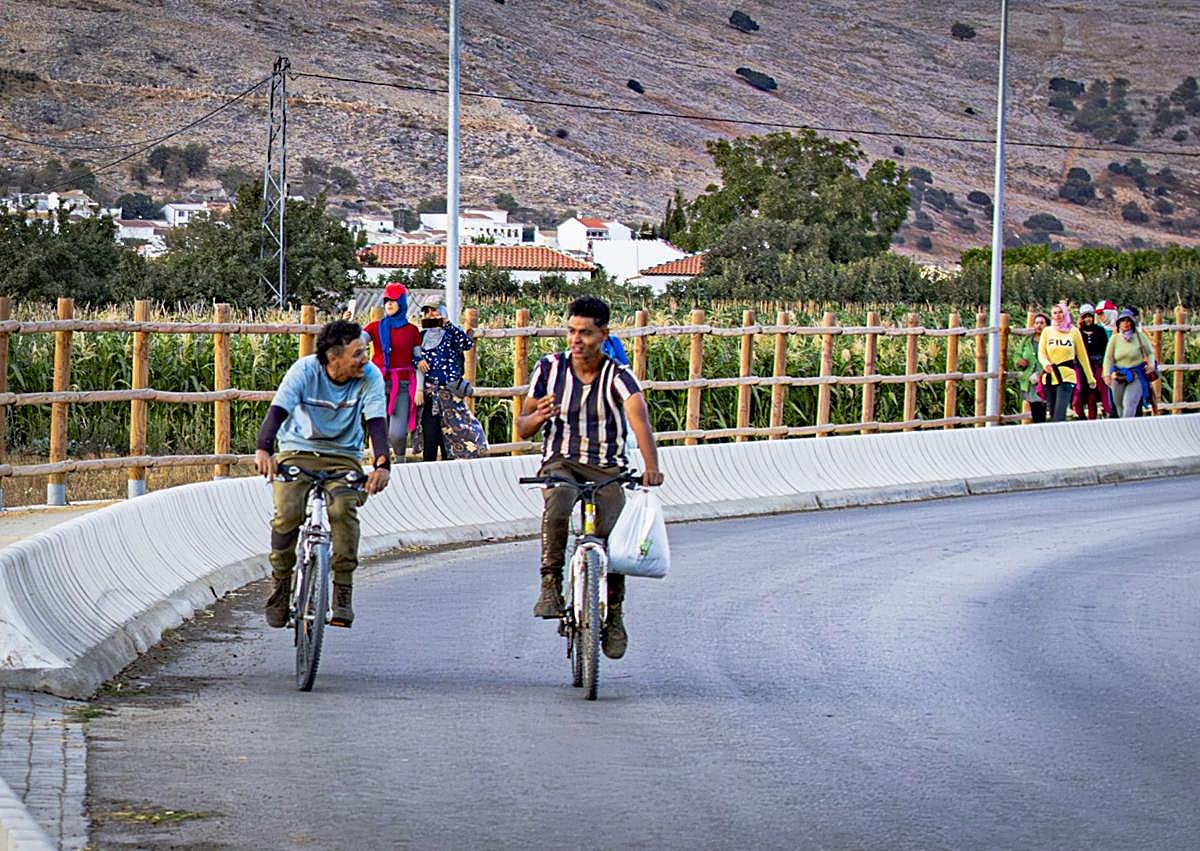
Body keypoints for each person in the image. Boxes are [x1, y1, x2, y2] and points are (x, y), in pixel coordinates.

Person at [516, 295, 664, 660]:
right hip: (561, 461)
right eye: (571, 331)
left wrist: (651, 466)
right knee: (560, 502)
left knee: (615, 540)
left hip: (606, 467)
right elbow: (522, 426)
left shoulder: (618, 376)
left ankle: (613, 614)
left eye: (585, 333)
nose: (576, 340)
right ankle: (550, 583)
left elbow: (639, 421)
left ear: (603, 335)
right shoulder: (549, 369)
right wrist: (538, 417)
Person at [255, 320, 391, 629]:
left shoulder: (369, 377)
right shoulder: (304, 371)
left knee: (343, 509)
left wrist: (382, 465)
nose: (365, 359)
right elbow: (277, 412)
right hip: (298, 451)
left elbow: (376, 424)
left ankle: (342, 588)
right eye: (357, 354)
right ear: (333, 358)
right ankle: (281, 582)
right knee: (287, 512)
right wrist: (264, 449)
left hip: (344, 457)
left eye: (365, 351)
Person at [414, 303, 488, 460]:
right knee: (430, 438)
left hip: (450, 394)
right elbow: (412, 357)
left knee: (454, 437)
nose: (432, 315)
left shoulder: (450, 334)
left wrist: (447, 324)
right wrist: (418, 363)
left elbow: (467, 344)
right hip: (429, 394)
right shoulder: (421, 337)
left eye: (435, 311)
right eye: (428, 312)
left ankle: (451, 478)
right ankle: (428, 478)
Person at [362, 282, 424, 460]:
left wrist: (419, 388)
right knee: (379, 429)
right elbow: (357, 342)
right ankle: (381, 466)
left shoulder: (412, 331)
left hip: (403, 385)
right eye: (387, 300)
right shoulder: (375, 327)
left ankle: (400, 462)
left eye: (394, 300)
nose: (389, 303)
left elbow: (419, 361)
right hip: (378, 384)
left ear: (402, 303)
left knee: (397, 434)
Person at [1038, 302, 1095, 423]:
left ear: (1065, 314)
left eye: (1060, 313)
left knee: (1059, 414)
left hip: (1067, 376)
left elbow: (1082, 356)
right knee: (1052, 412)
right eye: (1055, 313)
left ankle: (1060, 438)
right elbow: (1041, 352)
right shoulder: (1047, 331)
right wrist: (1045, 364)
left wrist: (1091, 378)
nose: (1058, 316)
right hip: (1050, 375)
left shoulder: (1073, 332)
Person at [1103, 308, 1157, 419]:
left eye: (1128, 321)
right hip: (1118, 375)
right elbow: (1108, 358)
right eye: (1123, 321)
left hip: (1136, 375)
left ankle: (1126, 430)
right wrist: (1106, 374)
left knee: (1129, 404)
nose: (1126, 324)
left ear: (1132, 323)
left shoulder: (1140, 337)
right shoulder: (1114, 339)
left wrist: (1151, 365)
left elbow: (1150, 353)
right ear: (1119, 323)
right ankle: (1123, 430)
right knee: (1118, 404)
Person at [1072, 304, 1111, 420]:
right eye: (1085, 317)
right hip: (1082, 366)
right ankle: (1081, 417)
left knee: (1097, 391)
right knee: (1079, 392)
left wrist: (1104, 365)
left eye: (1090, 316)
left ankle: (1102, 414)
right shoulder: (1077, 333)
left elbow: (1106, 349)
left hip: (1097, 364)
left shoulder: (1100, 331)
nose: (1088, 319)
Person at [1014, 312, 1049, 423]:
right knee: (1034, 408)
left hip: (1043, 379)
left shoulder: (1050, 340)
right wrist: (1019, 362)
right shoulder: (1027, 340)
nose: (1039, 325)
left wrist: (1040, 374)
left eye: (1042, 323)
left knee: (1042, 407)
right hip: (1029, 381)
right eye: (1037, 323)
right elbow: (1017, 354)